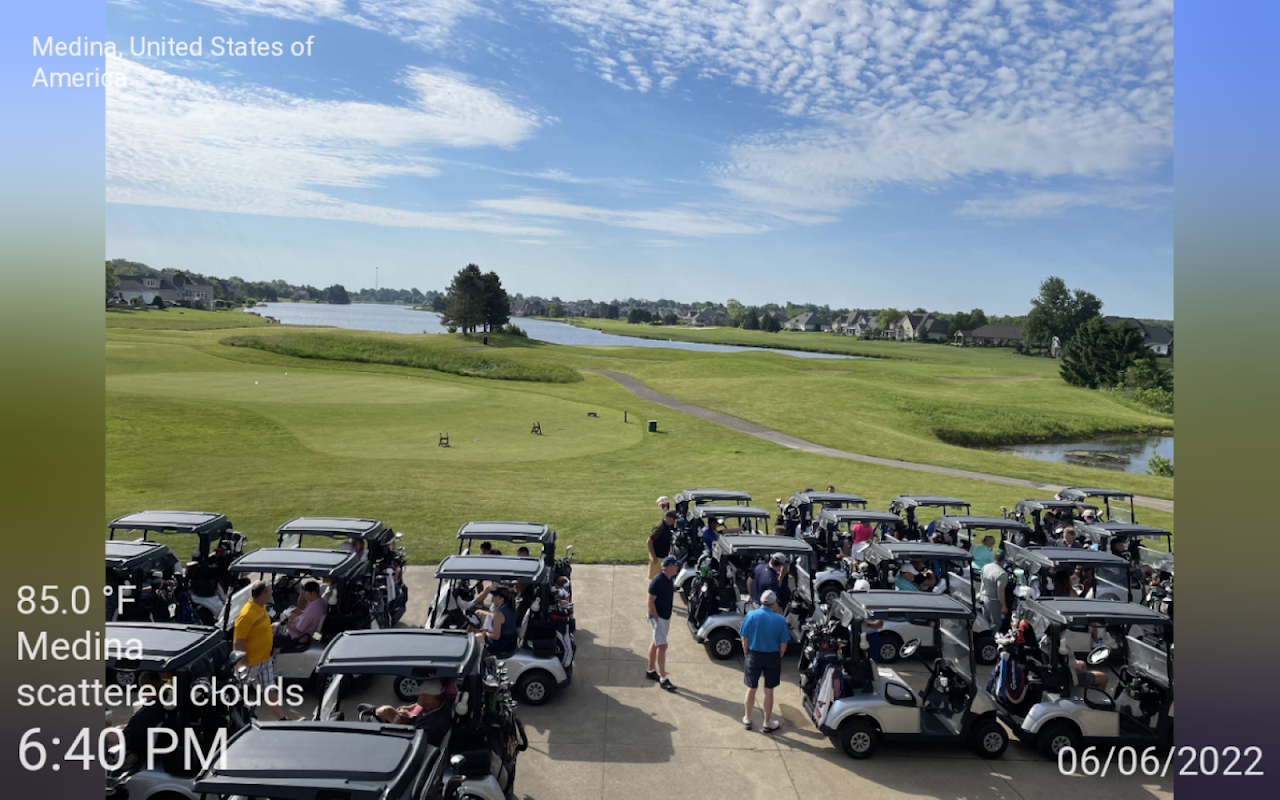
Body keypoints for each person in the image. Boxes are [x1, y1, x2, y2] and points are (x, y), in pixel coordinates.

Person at [233, 580, 287, 720]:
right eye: (270, 591)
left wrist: (272, 627)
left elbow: (258, 629)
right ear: (262, 595)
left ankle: (282, 720)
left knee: (270, 690)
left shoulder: (261, 607)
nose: (272, 592)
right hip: (250, 663)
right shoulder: (246, 615)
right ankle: (238, 718)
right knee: (236, 693)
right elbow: (238, 642)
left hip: (264, 659)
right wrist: (244, 663)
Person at [739, 589, 790, 732]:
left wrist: (746, 652)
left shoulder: (751, 615)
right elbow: (784, 644)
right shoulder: (780, 620)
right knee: (769, 690)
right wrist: (779, 655)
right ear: (774, 603)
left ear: (761, 601)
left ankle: (747, 718)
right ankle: (767, 723)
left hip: (754, 655)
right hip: (772, 656)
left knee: (751, 688)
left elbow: (744, 637)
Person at [364, 679, 451, 746]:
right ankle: (373, 715)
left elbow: (415, 744)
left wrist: (396, 727)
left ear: (429, 699)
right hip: (413, 731)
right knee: (387, 710)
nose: (417, 696)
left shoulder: (430, 726)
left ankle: (367, 734)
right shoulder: (438, 706)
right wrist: (409, 718)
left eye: (420, 695)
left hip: (409, 744)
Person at [646, 556, 678, 692]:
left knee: (656, 642)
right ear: (669, 567)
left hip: (665, 617)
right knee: (662, 646)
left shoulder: (668, 579)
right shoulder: (657, 581)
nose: (677, 568)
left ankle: (650, 670)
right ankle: (663, 678)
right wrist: (658, 619)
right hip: (659, 618)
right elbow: (649, 602)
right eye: (676, 566)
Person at [273, 580, 326, 650]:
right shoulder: (321, 603)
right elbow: (309, 617)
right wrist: (300, 612)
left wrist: (286, 622)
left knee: (269, 638)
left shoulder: (312, 609)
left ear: (312, 593)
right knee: (274, 626)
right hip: (304, 632)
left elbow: (299, 629)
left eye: (305, 593)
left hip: (297, 638)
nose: (304, 595)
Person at [475, 587, 518, 657]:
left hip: (502, 644)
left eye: (495, 596)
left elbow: (496, 636)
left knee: (475, 638)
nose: (492, 598)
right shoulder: (510, 609)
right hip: (511, 641)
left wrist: (485, 633)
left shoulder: (499, 614)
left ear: (501, 599)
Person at [979, 550, 1009, 633]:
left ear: (994, 557)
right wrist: (1004, 606)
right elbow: (1000, 591)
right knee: (996, 624)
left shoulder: (985, 567)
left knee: (985, 623)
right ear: (1004, 560)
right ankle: (991, 639)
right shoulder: (1002, 573)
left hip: (982, 598)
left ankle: (984, 637)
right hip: (993, 601)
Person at [648, 511, 676, 579]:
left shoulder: (667, 525)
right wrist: (654, 557)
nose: (674, 521)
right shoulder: (660, 528)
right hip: (657, 558)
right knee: (656, 578)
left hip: (663, 556)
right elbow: (649, 542)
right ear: (669, 518)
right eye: (674, 518)